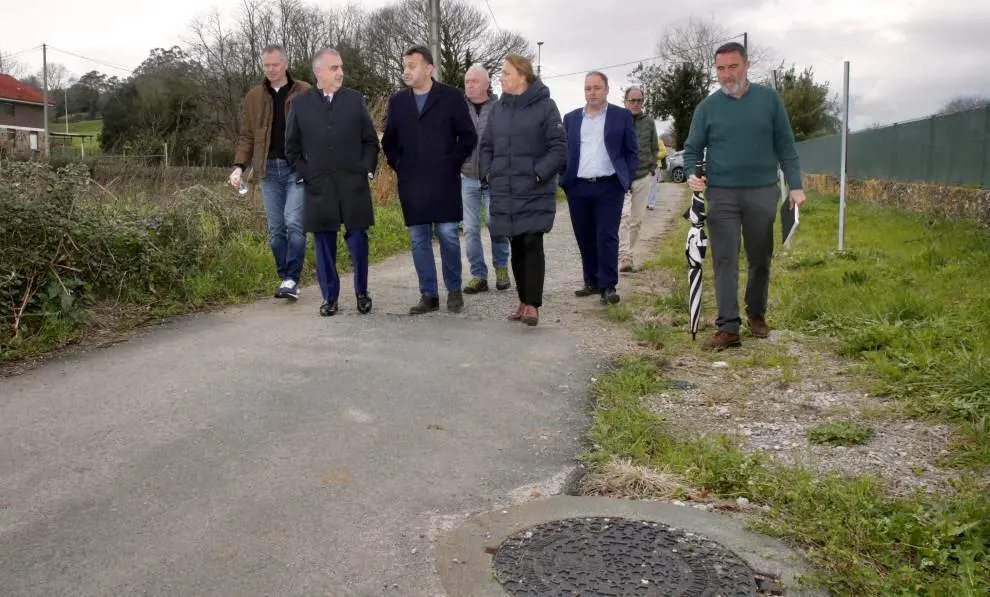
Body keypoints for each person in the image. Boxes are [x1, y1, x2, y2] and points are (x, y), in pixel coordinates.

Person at [683, 42, 806, 351]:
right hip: (722, 193)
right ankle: (728, 327)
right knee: (724, 258)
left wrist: (795, 184)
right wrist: (691, 173)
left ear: (746, 65)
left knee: (760, 257)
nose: (727, 74)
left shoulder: (769, 101)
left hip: (762, 190)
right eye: (721, 69)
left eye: (733, 67)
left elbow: (786, 146)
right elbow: (692, 149)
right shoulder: (707, 108)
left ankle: (756, 313)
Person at [382, 45, 477, 315]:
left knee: (447, 235)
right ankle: (429, 294)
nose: (406, 71)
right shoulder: (398, 101)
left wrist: (451, 162)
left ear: (428, 68)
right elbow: (389, 140)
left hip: (443, 181)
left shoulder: (451, 97)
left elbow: (468, 136)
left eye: (412, 65)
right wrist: (399, 164)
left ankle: (454, 290)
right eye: (404, 66)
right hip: (411, 183)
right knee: (417, 238)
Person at [285, 48, 379, 316]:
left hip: (353, 184)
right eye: (334, 68)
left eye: (341, 67)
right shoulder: (301, 104)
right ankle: (330, 298)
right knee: (323, 243)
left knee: (359, 239)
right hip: (318, 186)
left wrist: (366, 169)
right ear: (318, 72)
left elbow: (370, 141)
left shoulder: (355, 100)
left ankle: (362, 292)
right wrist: (305, 173)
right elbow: (291, 148)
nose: (340, 73)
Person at [480, 54, 567, 326]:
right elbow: (486, 146)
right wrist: (488, 172)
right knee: (516, 244)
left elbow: (559, 148)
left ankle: (533, 305)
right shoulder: (498, 109)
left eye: (506, 73)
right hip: (505, 189)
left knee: (531, 242)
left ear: (522, 75)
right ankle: (522, 300)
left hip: (533, 188)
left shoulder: (546, 106)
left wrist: (538, 173)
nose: (501, 78)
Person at [230, 44, 311, 300]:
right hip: (267, 171)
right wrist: (238, 167)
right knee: (276, 231)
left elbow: (318, 130)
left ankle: (291, 279)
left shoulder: (305, 92)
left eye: (276, 64)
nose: (271, 69)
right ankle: (285, 276)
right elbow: (247, 137)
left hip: (295, 169)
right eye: (266, 65)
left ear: (285, 63)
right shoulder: (254, 97)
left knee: (294, 223)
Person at [559, 71, 638, 305]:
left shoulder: (621, 116)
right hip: (578, 187)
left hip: (609, 186)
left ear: (606, 89)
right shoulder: (571, 118)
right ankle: (591, 281)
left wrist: (626, 177)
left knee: (607, 236)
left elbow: (632, 151)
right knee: (585, 236)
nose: (591, 92)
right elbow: (564, 151)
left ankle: (608, 285)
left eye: (596, 87)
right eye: (587, 88)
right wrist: (564, 179)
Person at [460, 65, 511, 295]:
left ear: (486, 84)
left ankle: (501, 268)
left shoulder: (500, 108)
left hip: (494, 177)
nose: (469, 85)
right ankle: (478, 275)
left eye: (474, 81)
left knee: (496, 224)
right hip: (467, 177)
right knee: (470, 229)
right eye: (467, 81)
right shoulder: (459, 108)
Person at [618, 86, 659, 271]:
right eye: (632, 100)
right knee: (623, 217)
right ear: (625, 101)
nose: (636, 103)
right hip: (621, 178)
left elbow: (654, 148)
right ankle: (624, 256)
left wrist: (651, 169)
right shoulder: (617, 120)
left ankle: (630, 254)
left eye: (639, 100)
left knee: (637, 220)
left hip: (643, 176)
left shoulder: (649, 122)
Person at [646, 141, 667, 210]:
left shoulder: (659, 141)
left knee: (652, 185)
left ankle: (651, 203)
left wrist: (653, 156)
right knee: (644, 185)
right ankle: (645, 203)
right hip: (643, 166)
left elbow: (664, 153)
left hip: (655, 166)